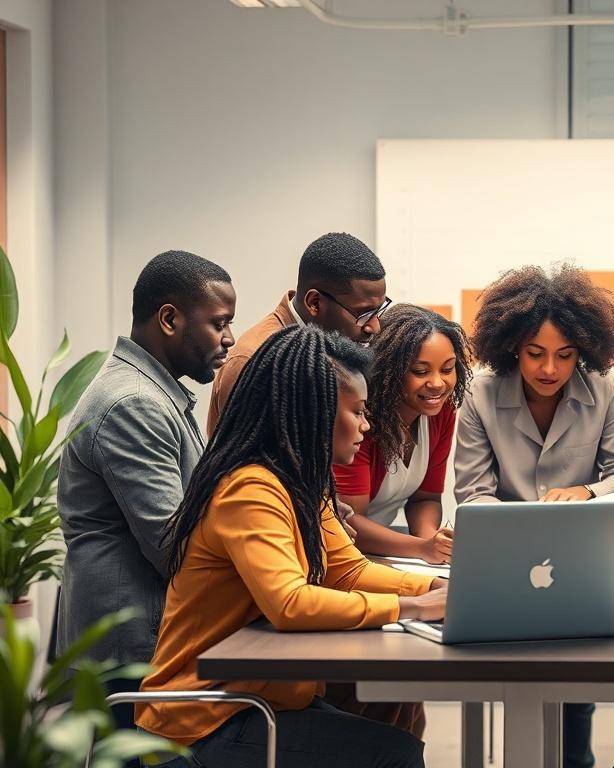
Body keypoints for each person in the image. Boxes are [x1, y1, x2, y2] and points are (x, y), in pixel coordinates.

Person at [137, 325, 447, 768]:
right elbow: (290, 604)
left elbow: (349, 572)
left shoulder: (301, 482)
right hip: (200, 723)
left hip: (254, 703)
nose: (367, 425)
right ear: (315, 412)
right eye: (357, 411)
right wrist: (412, 608)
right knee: (393, 755)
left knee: (393, 740)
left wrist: (435, 588)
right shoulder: (251, 489)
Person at [454, 264, 614, 768]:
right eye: (535, 353)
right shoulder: (481, 392)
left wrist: (585, 491)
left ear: (584, 350)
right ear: (513, 345)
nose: (549, 369)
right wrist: (516, 524)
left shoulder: (604, 388)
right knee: (505, 676)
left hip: (575, 559)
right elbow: (472, 493)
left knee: (574, 688)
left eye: (565, 355)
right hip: (503, 560)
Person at [57, 250, 236, 728]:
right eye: (219, 323)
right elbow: (173, 543)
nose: (229, 339)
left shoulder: (151, 393)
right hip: (128, 650)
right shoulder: (133, 403)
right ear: (170, 319)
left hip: (140, 638)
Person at [207, 231, 389, 433]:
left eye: (379, 310)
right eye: (363, 313)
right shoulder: (255, 360)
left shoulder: (330, 348)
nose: (375, 327)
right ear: (314, 303)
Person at [334, 304, 472, 564]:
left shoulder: (441, 412)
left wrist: (434, 541)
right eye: (420, 371)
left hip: (388, 554)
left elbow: (426, 498)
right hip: (345, 553)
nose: (437, 383)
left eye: (447, 368)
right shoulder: (361, 421)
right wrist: (422, 548)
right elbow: (348, 520)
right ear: (390, 370)